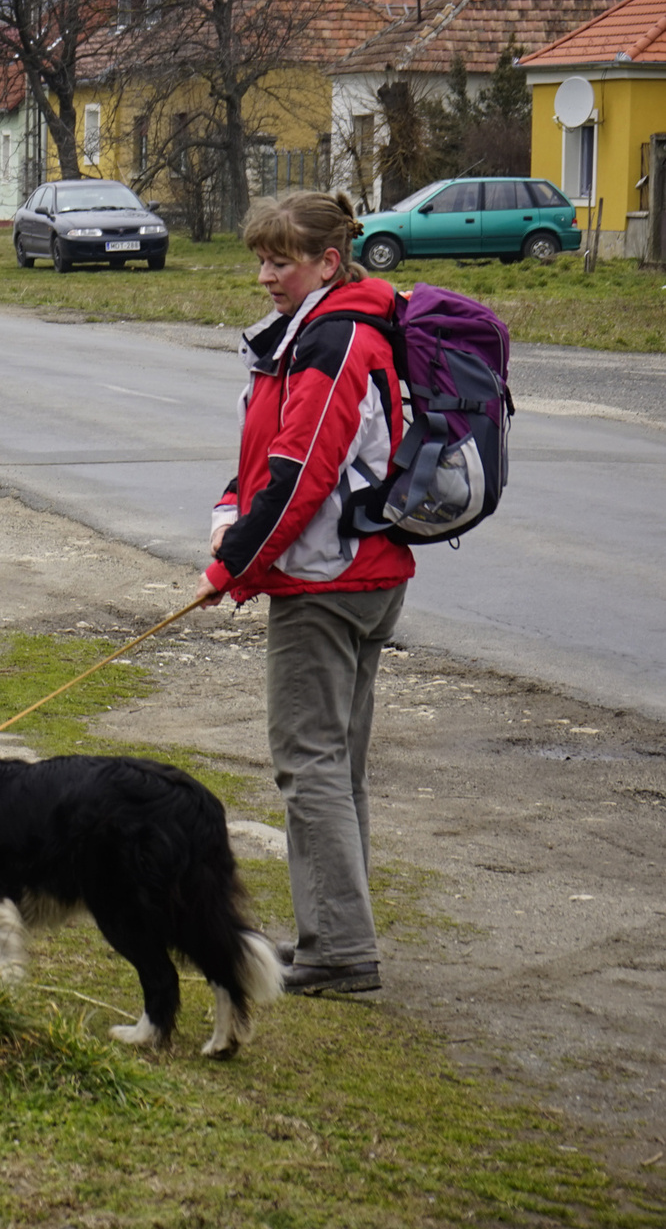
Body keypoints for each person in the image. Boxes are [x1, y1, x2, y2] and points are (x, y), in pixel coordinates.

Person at [194, 191, 414, 996]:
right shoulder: (344, 326)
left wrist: (232, 568)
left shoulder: (335, 340)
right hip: (365, 572)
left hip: (329, 580)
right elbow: (268, 460)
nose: (265, 276)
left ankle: (341, 952)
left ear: (329, 261)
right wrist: (231, 517)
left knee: (309, 764)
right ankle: (333, 935)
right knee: (337, 764)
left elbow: (301, 474)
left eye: (280, 260)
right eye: (260, 258)